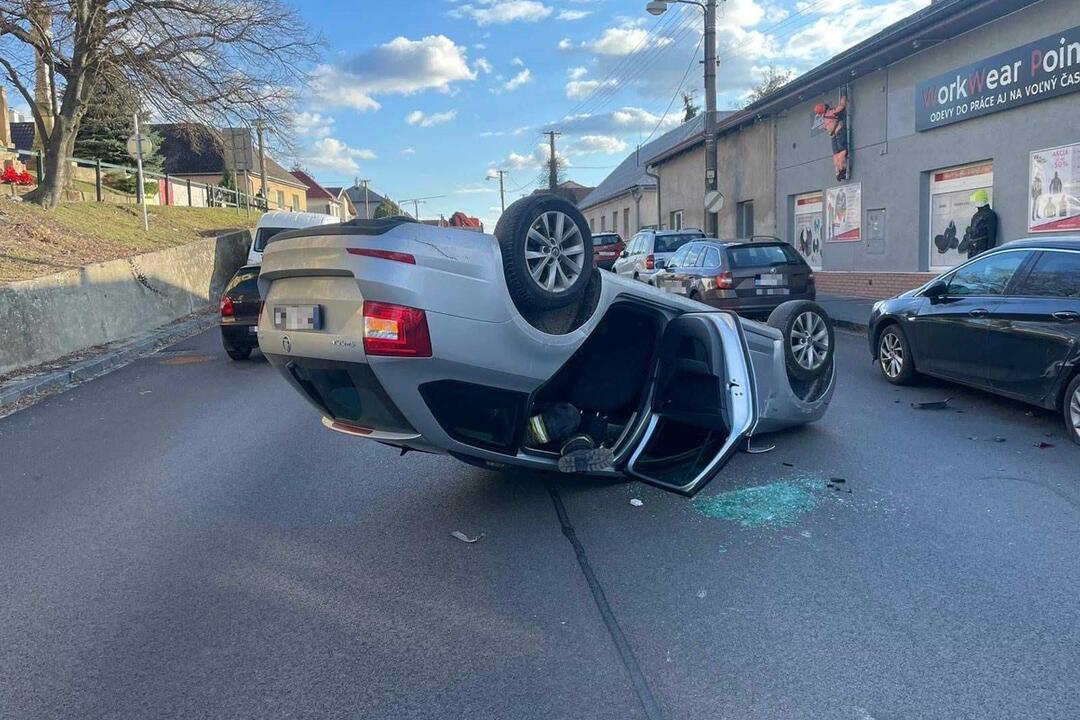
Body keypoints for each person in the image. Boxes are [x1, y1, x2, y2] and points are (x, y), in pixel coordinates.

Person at [815, 94, 849, 181]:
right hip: (838, 132)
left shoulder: (825, 118)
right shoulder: (831, 112)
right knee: (843, 151)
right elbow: (841, 107)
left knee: (835, 155)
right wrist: (843, 98)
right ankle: (843, 170)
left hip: (832, 136)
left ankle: (837, 172)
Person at [960, 189, 997, 258]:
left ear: (979, 201)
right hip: (973, 251)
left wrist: (989, 254)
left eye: (976, 200)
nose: (974, 203)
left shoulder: (990, 215)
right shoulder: (976, 215)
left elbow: (992, 235)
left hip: (982, 251)